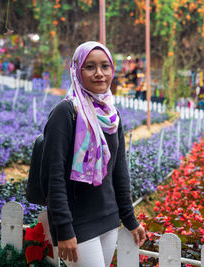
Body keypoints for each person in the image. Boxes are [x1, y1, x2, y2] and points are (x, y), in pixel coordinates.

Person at [41, 41, 146, 266]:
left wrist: (129, 218)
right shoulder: (66, 112)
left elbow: (119, 171)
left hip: (108, 219)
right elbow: (54, 175)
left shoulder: (112, 115)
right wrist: (65, 229)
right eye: (90, 67)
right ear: (77, 70)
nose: (99, 74)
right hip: (77, 223)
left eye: (105, 66)